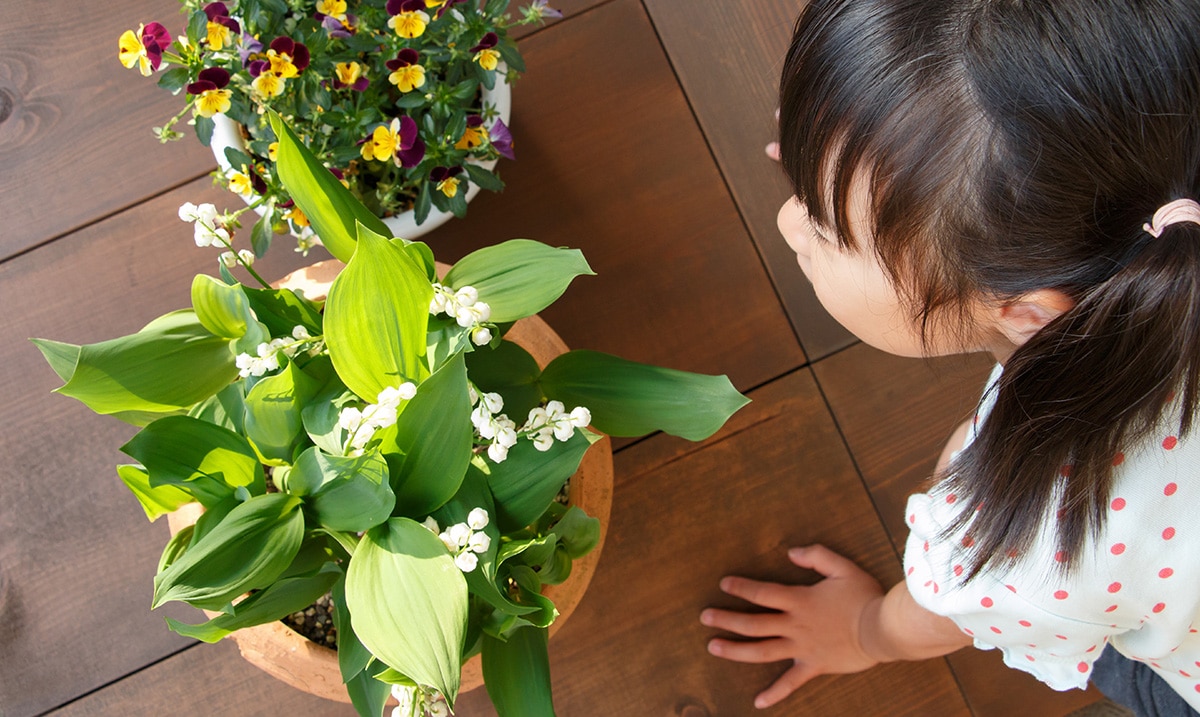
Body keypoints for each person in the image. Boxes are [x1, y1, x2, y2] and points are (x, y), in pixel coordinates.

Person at [699, 0, 1200, 714]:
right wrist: (873, 174)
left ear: (1027, 312)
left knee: (1120, 653)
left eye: (827, 223)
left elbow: (948, 611)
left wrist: (866, 630)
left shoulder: (1022, 527)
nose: (788, 223)